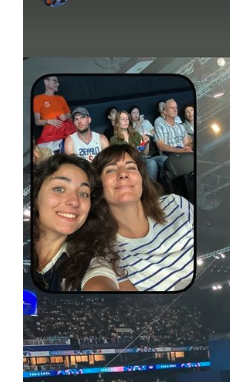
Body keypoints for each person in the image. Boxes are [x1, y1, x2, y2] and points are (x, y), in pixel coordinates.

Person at [80, 145, 194, 292]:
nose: (123, 174)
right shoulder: (105, 254)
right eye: (110, 170)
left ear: (142, 178)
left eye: (131, 167)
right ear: (98, 187)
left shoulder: (175, 204)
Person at [32, 154, 121, 292]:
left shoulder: (92, 264)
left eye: (83, 193)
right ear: (36, 197)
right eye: (59, 189)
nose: (74, 201)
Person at [154, 99, 194, 202]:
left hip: (184, 153)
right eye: (172, 108)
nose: (175, 110)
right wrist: (181, 151)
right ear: (165, 111)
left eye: (176, 107)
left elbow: (186, 143)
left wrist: (188, 147)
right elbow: (161, 146)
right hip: (170, 155)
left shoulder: (180, 127)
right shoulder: (160, 125)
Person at [33, 75, 76, 149]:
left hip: (68, 129)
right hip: (51, 132)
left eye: (58, 82)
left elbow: (71, 118)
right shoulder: (38, 98)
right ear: (46, 82)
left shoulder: (61, 98)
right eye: (55, 81)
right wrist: (49, 121)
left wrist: (66, 117)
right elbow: (37, 121)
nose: (58, 84)